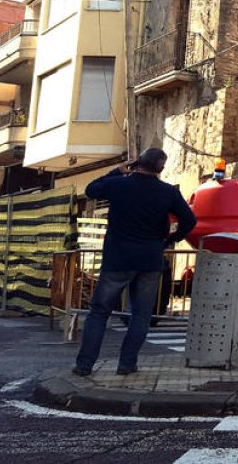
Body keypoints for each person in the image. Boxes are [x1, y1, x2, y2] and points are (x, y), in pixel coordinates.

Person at [73, 149, 197, 376]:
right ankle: (127, 364)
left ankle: (84, 365)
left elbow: (91, 189)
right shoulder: (168, 192)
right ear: (160, 169)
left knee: (99, 312)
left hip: (118, 259)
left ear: (136, 163)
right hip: (150, 259)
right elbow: (189, 220)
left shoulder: (120, 184)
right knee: (141, 314)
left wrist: (117, 171)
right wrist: (169, 241)